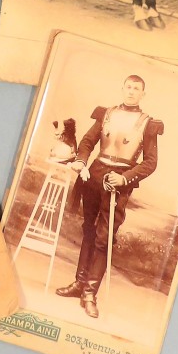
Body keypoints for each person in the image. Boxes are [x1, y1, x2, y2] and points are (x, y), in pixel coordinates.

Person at [55, 75, 163, 318]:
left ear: (143, 94)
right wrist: (81, 161)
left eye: (137, 89)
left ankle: (90, 294)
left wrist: (125, 178)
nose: (131, 92)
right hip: (93, 176)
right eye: (128, 87)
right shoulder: (107, 113)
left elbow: (151, 162)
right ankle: (78, 284)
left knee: (104, 238)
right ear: (122, 88)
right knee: (88, 230)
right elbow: (87, 141)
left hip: (118, 182)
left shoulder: (148, 123)